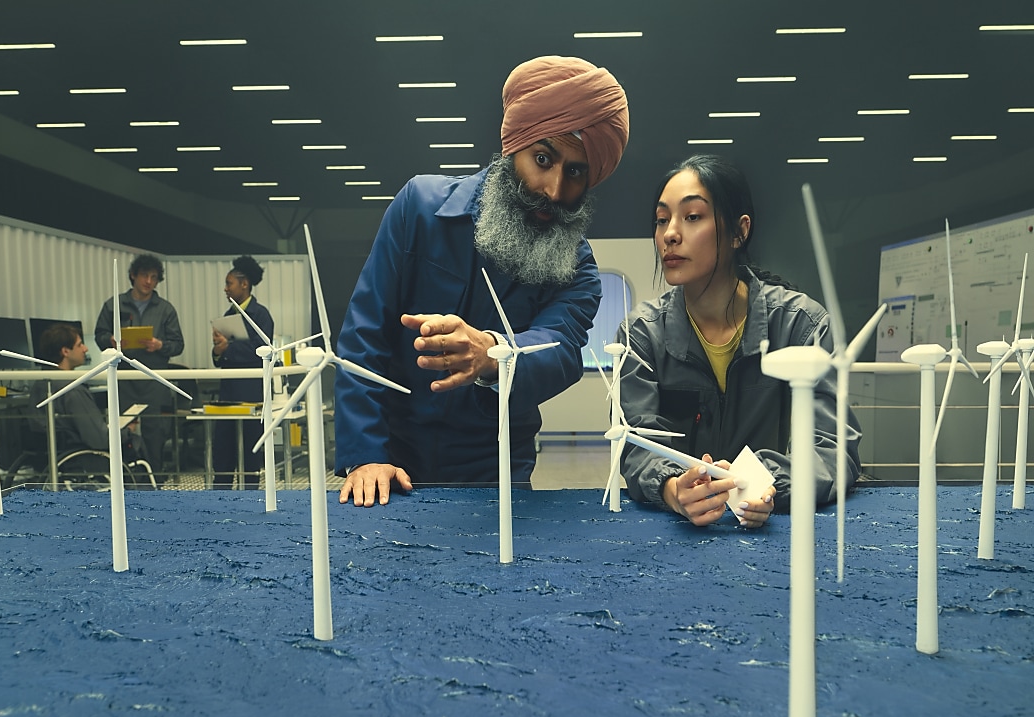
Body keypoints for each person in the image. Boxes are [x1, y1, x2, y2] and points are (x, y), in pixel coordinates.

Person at [333, 55, 630, 506]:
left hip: (496, 470)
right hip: (392, 460)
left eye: (575, 172)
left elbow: (561, 349)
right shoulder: (419, 208)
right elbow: (363, 334)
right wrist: (366, 455)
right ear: (513, 147)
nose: (554, 190)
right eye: (543, 159)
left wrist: (493, 352)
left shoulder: (577, 268)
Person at [616, 154, 861, 528]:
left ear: (739, 231)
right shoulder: (642, 333)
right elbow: (636, 444)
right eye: (662, 220)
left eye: (692, 216)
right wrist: (674, 489)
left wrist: (763, 482)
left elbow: (833, 448)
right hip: (677, 536)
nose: (669, 234)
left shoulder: (801, 326)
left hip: (775, 531)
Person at [94, 254, 184, 471]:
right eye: (144, 275)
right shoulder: (114, 305)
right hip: (124, 379)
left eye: (154, 277)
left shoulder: (165, 309)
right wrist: (111, 341)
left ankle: (155, 479)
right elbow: (99, 335)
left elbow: (178, 345)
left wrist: (160, 345)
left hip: (154, 379)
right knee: (123, 431)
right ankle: (126, 478)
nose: (149, 281)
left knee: (155, 433)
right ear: (133, 275)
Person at [30, 323, 148, 482]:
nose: (85, 349)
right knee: (135, 442)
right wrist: (127, 431)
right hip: (80, 460)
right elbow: (100, 439)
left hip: (53, 459)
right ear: (65, 351)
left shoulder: (39, 384)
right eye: (80, 345)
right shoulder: (73, 390)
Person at [211, 255, 274, 490]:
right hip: (228, 393)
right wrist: (218, 350)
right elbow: (219, 358)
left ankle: (250, 499)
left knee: (250, 453)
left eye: (229, 283)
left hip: (251, 393)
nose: (225, 289)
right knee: (223, 450)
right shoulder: (228, 315)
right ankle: (220, 498)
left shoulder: (261, 315)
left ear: (244, 284)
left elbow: (262, 350)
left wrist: (228, 348)